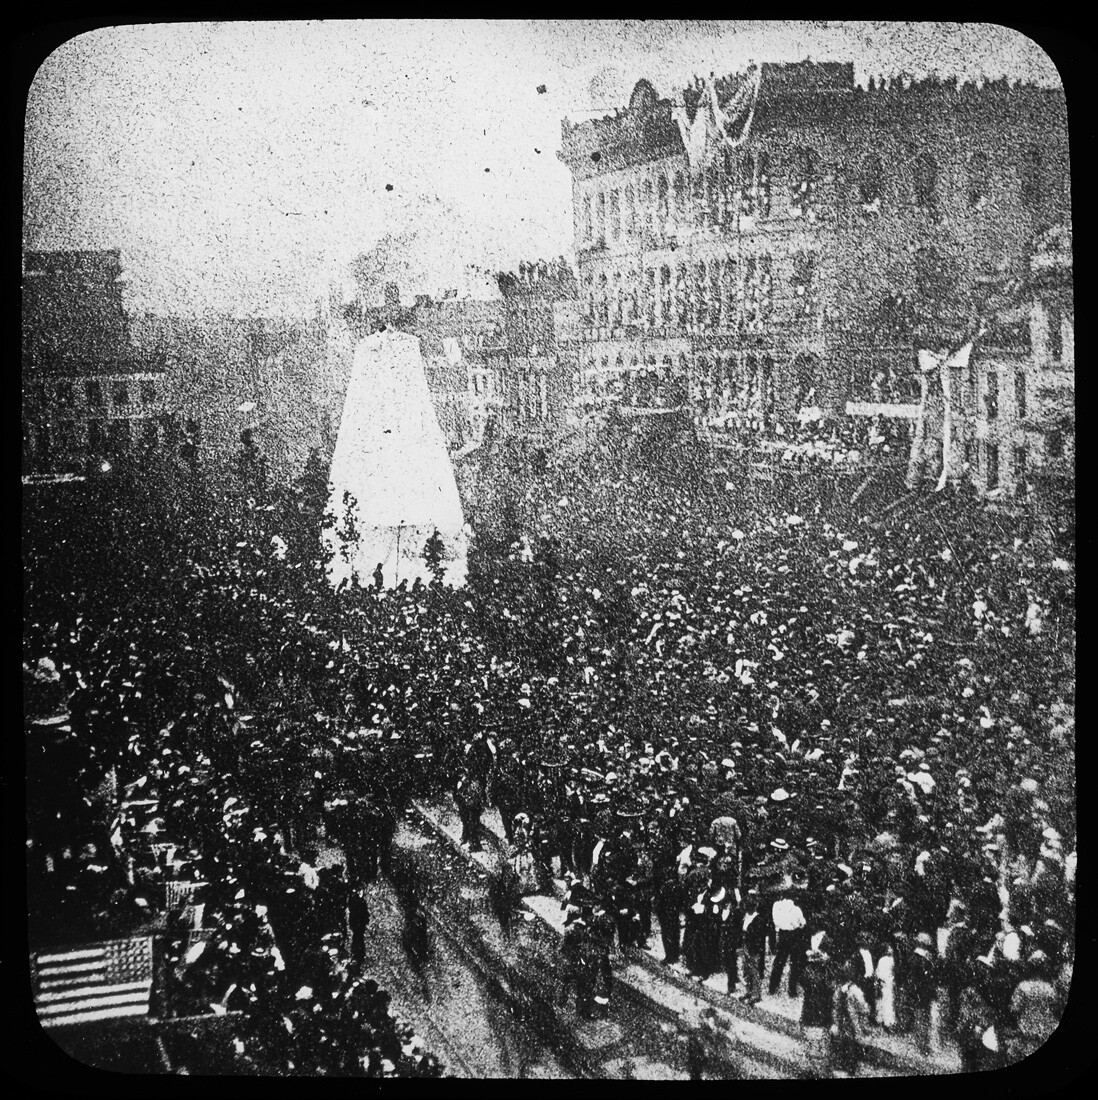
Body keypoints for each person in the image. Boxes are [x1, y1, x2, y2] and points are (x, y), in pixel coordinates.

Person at [830, 956, 870, 1077]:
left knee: (841, 1045)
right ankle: (850, 1068)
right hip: (853, 1023)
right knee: (852, 1046)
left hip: (841, 1021)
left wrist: (836, 1021)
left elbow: (835, 1006)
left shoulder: (839, 989)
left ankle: (840, 1066)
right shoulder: (855, 990)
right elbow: (864, 1008)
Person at [769, 889, 808, 997]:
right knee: (794, 963)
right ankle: (792, 990)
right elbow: (802, 923)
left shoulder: (776, 906)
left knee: (779, 962)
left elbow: (774, 920)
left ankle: (772, 986)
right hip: (793, 935)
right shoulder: (796, 909)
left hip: (782, 935)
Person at [739, 889, 768, 1004]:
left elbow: (758, 937)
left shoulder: (758, 919)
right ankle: (749, 991)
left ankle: (755, 994)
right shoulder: (747, 917)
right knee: (746, 969)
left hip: (754, 948)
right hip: (745, 945)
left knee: (754, 971)